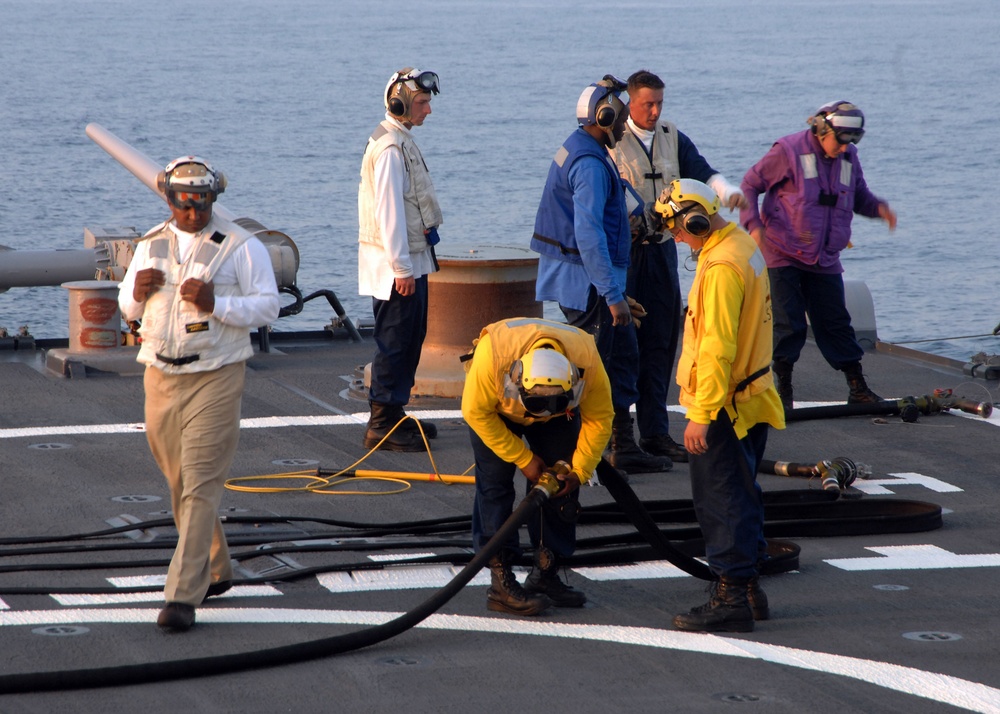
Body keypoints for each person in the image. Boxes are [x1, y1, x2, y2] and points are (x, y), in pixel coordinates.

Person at [118, 156, 280, 632]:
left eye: (202, 203)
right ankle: (216, 566)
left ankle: (182, 596)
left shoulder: (241, 247)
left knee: (201, 484)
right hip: (160, 375)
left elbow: (268, 307)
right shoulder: (149, 244)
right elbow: (126, 304)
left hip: (217, 373)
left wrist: (218, 304)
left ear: (214, 198)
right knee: (177, 482)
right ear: (169, 200)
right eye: (184, 204)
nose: (193, 213)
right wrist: (136, 293)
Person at [654, 178, 785, 632]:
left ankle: (730, 597)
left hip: (725, 406)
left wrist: (700, 415)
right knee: (744, 492)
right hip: (752, 398)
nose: (675, 237)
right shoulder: (742, 244)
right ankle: (749, 589)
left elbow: (716, 347)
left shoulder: (722, 267)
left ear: (695, 218)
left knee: (720, 498)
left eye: (677, 227)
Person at [532, 75, 670, 475]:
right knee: (605, 367)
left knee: (616, 360)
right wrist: (613, 296)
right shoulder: (590, 164)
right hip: (592, 283)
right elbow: (588, 233)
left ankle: (617, 445)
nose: (625, 123)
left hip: (584, 280)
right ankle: (603, 452)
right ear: (605, 115)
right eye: (621, 114)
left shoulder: (580, 147)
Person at [609, 69, 748, 464]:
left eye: (659, 104)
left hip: (663, 251)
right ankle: (619, 436)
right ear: (630, 104)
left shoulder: (671, 136)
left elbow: (702, 170)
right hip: (625, 256)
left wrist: (727, 191)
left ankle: (655, 432)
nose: (654, 111)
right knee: (621, 345)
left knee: (660, 342)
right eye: (646, 104)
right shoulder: (612, 140)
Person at [741, 100, 897, 410]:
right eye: (840, 140)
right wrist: (754, 227)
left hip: (824, 256)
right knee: (788, 324)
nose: (844, 149)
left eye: (851, 142)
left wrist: (878, 208)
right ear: (822, 129)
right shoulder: (787, 150)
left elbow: (859, 196)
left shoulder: (848, 157)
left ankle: (858, 386)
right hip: (782, 252)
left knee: (836, 321)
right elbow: (749, 185)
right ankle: (781, 389)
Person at [461, 317, 614, 616]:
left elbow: (601, 418)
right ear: (518, 378)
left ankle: (545, 571)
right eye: (537, 405)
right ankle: (500, 582)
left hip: (562, 417)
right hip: (495, 412)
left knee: (559, 486)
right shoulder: (492, 356)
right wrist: (523, 458)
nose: (542, 413)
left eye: (552, 403)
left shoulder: (587, 360)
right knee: (495, 486)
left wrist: (579, 471)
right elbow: (474, 412)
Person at [358, 67, 443, 451]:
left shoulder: (400, 139)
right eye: (423, 103)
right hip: (398, 268)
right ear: (400, 104)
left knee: (411, 337)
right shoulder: (391, 148)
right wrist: (402, 269)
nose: (428, 110)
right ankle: (380, 425)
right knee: (395, 341)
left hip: (411, 261)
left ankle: (394, 413)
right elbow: (388, 212)